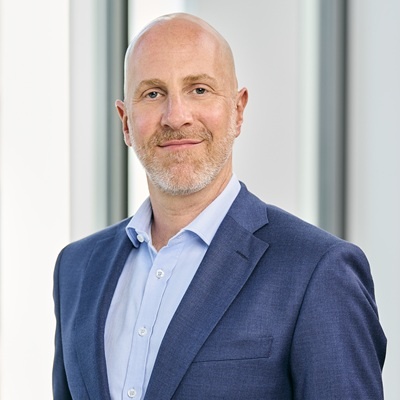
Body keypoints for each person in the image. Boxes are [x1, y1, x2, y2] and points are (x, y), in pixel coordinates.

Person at [52, 13, 386, 400]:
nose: (176, 117)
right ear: (126, 122)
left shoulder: (317, 270)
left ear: (238, 110)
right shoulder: (77, 270)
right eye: (153, 94)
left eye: (199, 89)